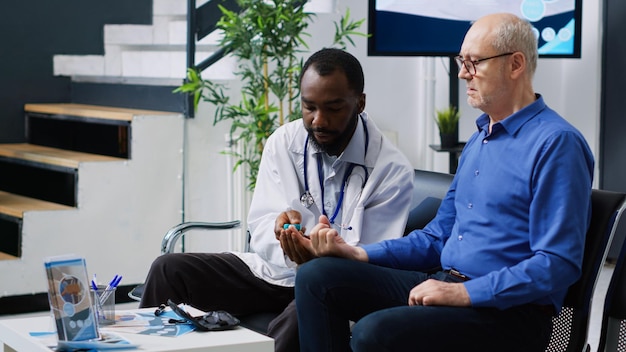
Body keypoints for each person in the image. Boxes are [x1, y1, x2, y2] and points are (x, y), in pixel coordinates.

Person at [295, 13, 595, 352]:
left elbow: (557, 263)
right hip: (446, 281)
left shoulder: (557, 144)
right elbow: (437, 237)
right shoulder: (479, 140)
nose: (462, 72)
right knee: (317, 277)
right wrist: (356, 253)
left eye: (474, 62)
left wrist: (463, 294)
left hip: (510, 315)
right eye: (461, 61)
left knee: (374, 333)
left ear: (515, 64)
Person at [138, 48, 415, 352]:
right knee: (169, 270)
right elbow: (259, 227)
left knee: (300, 316)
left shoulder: (391, 170)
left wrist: (316, 257)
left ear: (360, 103)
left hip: (330, 285)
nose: (318, 121)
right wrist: (281, 236)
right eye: (309, 107)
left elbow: (364, 262)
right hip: (274, 273)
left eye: (333, 108)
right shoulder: (284, 142)